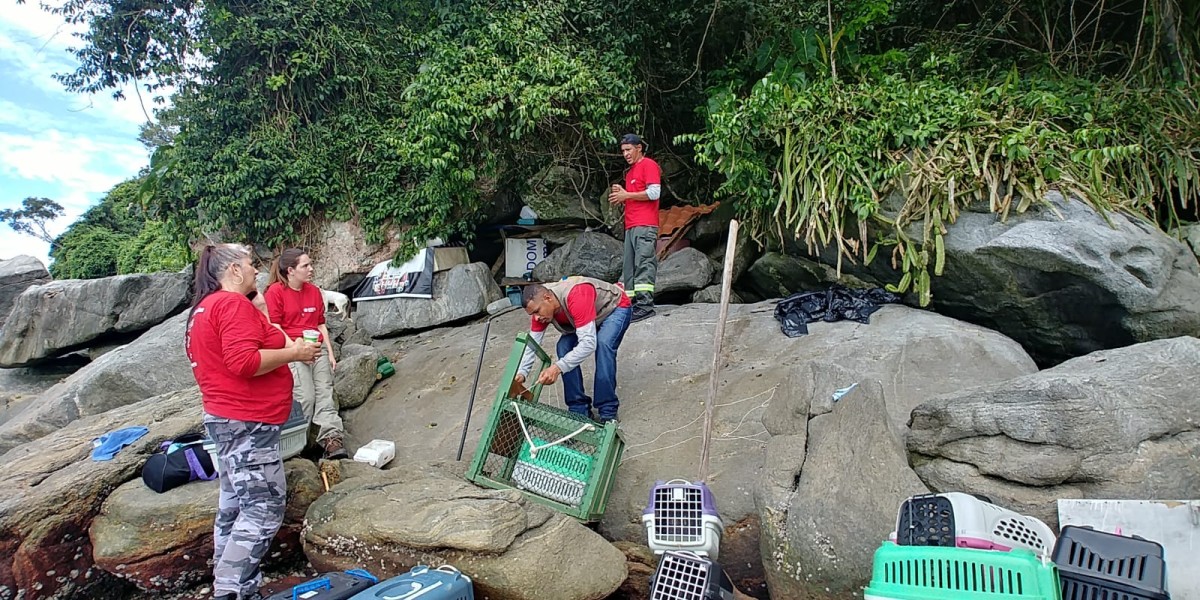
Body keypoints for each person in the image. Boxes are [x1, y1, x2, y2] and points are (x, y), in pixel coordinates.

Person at [185, 244, 321, 600]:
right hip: (247, 422)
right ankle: (229, 591)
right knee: (263, 507)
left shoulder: (204, 309)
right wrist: (295, 353)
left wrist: (259, 308)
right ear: (232, 271)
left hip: (225, 419)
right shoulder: (229, 304)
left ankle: (236, 586)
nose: (256, 271)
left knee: (233, 506)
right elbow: (243, 361)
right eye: (249, 265)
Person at [264, 248, 348, 459]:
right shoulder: (275, 292)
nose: (311, 269)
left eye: (310, 264)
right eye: (305, 265)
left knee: (324, 393)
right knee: (305, 397)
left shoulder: (314, 292)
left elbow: (320, 325)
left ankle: (331, 439)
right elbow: (274, 325)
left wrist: (330, 353)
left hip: (316, 349)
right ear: (291, 270)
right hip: (292, 350)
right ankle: (297, 444)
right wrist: (295, 349)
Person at [513, 277, 633, 423]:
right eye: (533, 314)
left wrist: (557, 368)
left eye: (537, 312)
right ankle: (579, 410)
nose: (536, 318)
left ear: (548, 298)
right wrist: (521, 373)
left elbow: (588, 343)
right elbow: (532, 344)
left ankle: (608, 411)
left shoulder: (576, 294)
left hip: (614, 308)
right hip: (587, 317)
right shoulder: (539, 306)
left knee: (603, 345)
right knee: (563, 346)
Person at [608, 133, 662, 322]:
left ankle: (645, 305)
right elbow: (636, 196)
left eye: (628, 150)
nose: (625, 154)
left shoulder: (648, 165)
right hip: (631, 225)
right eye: (623, 151)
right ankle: (630, 303)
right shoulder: (630, 172)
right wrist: (621, 196)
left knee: (644, 263)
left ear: (639, 148)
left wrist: (627, 196)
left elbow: (655, 193)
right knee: (629, 266)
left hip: (645, 224)